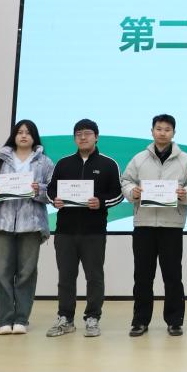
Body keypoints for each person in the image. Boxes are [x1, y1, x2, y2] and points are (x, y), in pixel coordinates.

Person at [120, 114, 187, 337]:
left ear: (173, 133)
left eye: (167, 129)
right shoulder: (139, 159)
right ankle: (140, 321)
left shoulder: (185, 160)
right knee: (142, 276)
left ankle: (175, 321)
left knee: (173, 276)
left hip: (172, 225)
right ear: (152, 131)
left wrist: (185, 194)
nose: (162, 133)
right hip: (144, 224)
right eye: (159, 128)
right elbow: (126, 181)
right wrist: (133, 192)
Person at [45, 118, 123, 338]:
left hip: (94, 232)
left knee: (94, 277)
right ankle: (65, 318)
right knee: (65, 277)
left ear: (96, 137)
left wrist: (101, 202)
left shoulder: (108, 164)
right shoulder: (63, 163)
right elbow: (51, 190)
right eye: (78, 134)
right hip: (65, 231)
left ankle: (92, 317)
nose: (82, 137)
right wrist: (54, 200)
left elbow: (118, 194)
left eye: (87, 133)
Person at [0, 119, 55, 334]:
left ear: (34, 137)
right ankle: (4, 320)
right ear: (14, 135)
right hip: (2, 223)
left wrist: (39, 189)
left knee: (26, 273)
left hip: (32, 225)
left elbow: (53, 191)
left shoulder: (45, 162)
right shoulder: (0, 158)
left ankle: (21, 319)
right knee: (3, 272)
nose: (23, 136)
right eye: (19, 132)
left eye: (28, 132)